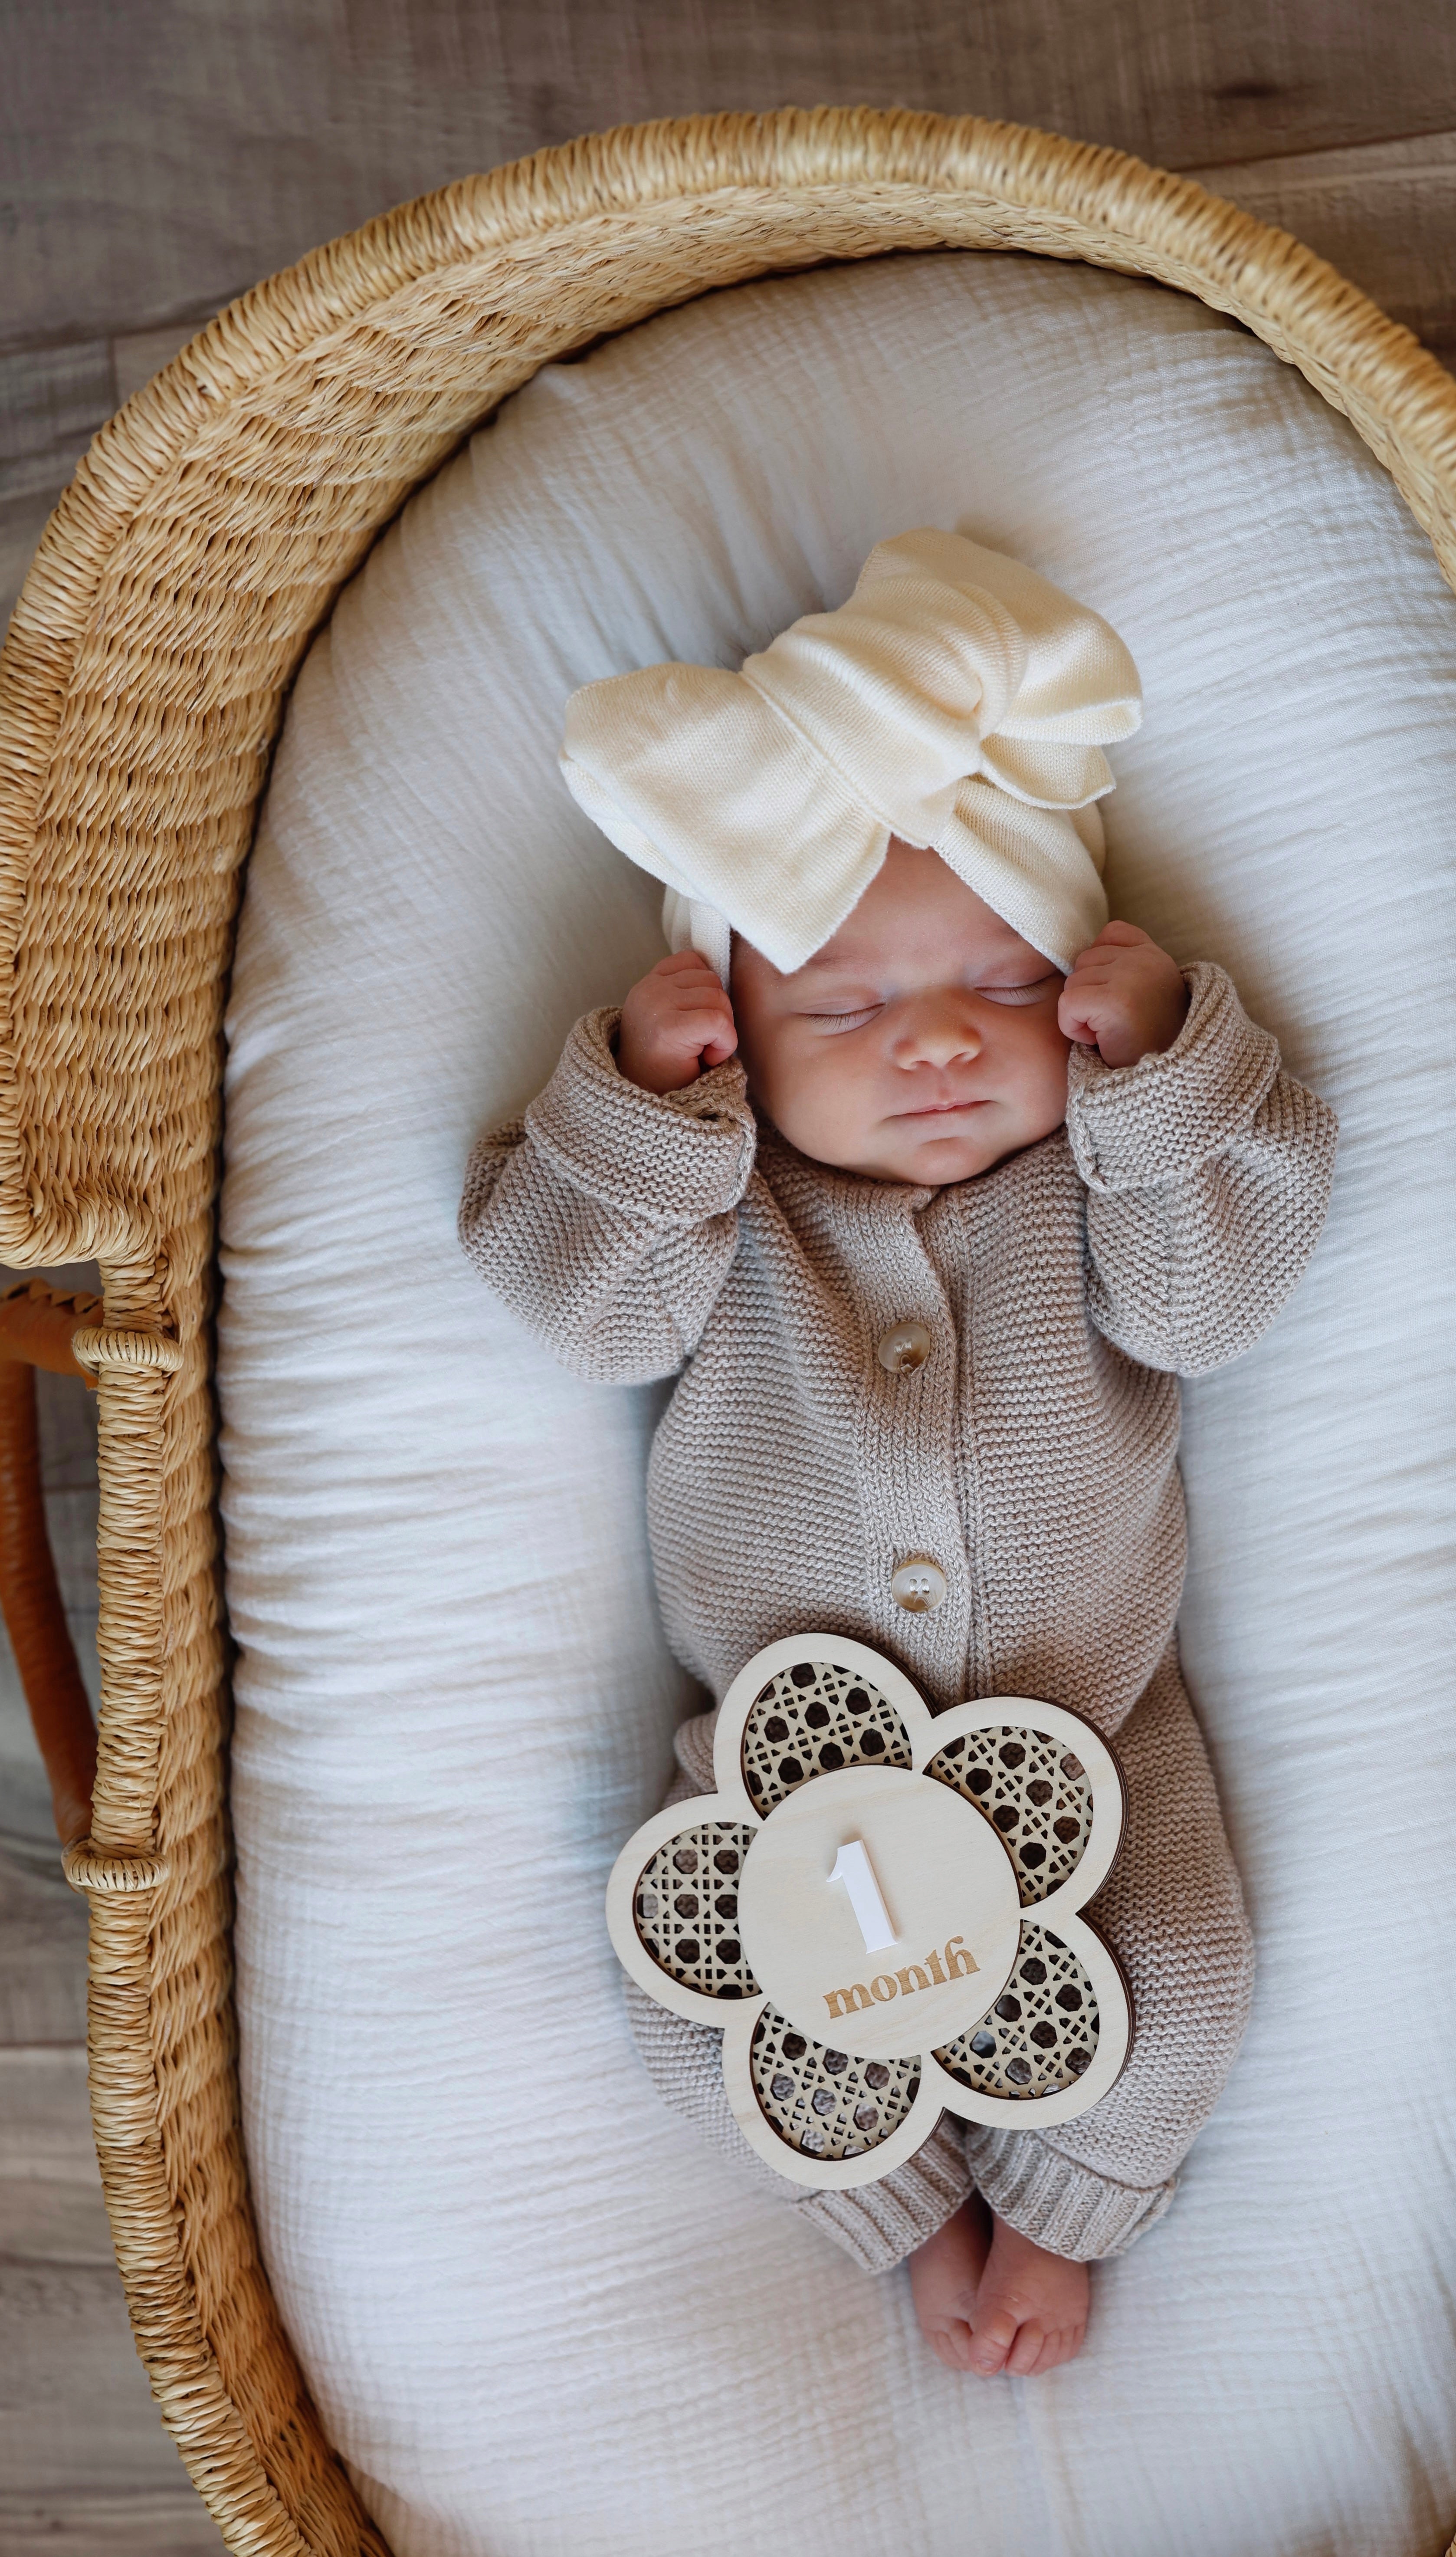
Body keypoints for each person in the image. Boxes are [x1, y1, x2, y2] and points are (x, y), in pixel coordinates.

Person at [460, 529, 1336, 2378]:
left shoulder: (1095, 1187)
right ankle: (908, 2209)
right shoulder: (723, 1212)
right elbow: (581, 1314)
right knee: (693, 2012)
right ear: (739, 1044)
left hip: (1093, 1747)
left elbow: (1212, 1305)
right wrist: (641, 1112)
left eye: (1006, 990)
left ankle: (1064, 2213)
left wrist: (1163, 1076)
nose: (936, 1044)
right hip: (786, 1766)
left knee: (1177, 1991)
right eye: (846, 1010)